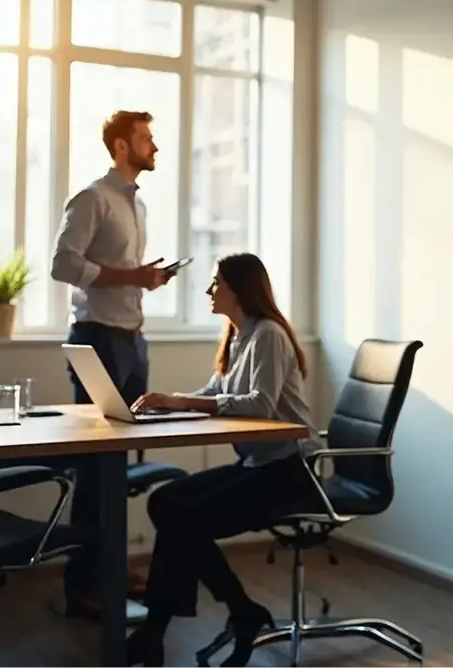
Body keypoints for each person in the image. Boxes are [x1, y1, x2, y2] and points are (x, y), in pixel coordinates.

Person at [125, 253, 322, 668]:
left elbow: (260, 404)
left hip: (289, 471)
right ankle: (239, 611)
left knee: (184, 518)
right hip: (256, 464)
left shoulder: (268, 334)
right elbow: (215, 392)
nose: (209, 290)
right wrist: (168, 403)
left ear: (239, 288)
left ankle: (158, 632)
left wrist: (182, 402)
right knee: (164, 502)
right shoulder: (237, 335)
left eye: (217, 282)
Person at [50, 109, 174, 616]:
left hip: (132, 341)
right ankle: (81, 585)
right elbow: (63, 264)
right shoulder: (92, 198)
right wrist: (130, 277)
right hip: (98, 340)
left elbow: (123, 275)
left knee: (119, 465)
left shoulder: (137, 205)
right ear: (121, 146)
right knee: (95, 466)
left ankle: (111, 574)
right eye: (146, 138)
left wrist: (146, 279)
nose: (154, 146)